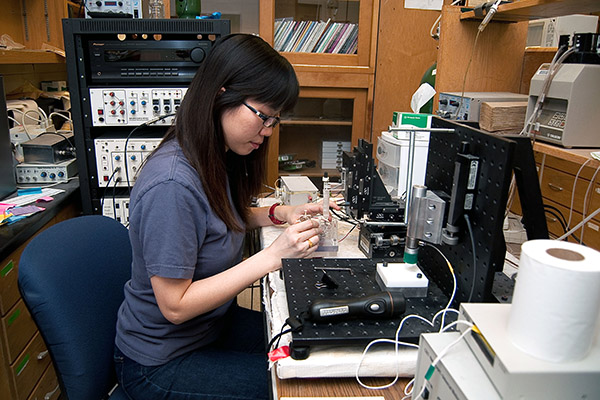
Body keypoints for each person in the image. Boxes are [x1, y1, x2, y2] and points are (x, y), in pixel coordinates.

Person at [114, 33, 335, 400]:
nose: (267, 131)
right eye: (263, 116)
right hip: (161, 362)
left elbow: (217, 218)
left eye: (274, 121)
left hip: (212, 328)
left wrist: (280, 212)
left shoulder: (211, 154)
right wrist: (272, 256)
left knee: (312, 343)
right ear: (221, 93)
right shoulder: (171, 184)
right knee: (302, 388)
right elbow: (175, 305)